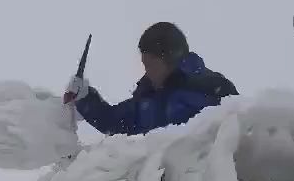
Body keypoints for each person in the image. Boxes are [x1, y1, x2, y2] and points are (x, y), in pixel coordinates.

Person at [67, 22, 238, 136]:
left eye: (151, 66)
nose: (147, 73)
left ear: (171, 60)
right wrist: (85, 97)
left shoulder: (209, 93)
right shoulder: (154, 99)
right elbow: (114, 121)